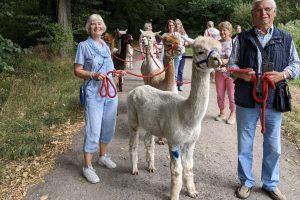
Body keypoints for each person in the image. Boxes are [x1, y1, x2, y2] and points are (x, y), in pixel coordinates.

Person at [228, 0, 300, 199]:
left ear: (275, 12)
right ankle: (246, 182)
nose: (263, 13)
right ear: (253, 14)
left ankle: (270, 183)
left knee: (273, 145)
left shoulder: (286, 38)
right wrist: (241, 75)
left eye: (267, 9)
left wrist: (282, 75)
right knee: (245, 144)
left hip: (273, 99)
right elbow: (231, 66)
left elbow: (296, 65)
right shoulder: (241, 39)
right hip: (246, 99)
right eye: (259, 10)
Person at [74, 14, 122, 184]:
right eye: (93, 24)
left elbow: (109, 68)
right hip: (94, 93)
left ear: (104, 27)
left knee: (108, 126)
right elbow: (77, 70)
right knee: (93, 129)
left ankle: (103, 156)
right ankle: (87, 167)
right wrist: (92, 74)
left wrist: (116, 73)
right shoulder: (83, 46)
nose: (97, 26)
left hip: (110, 92)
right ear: (89, 27)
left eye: (99, 23)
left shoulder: (105, 46)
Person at [214, 21, 236, 125]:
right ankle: (221, 112)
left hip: (231, 73)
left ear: (229, 31)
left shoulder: (234, 43)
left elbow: (232, 58)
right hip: (219, 73)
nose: (222, 32)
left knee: (232, 95)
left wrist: (222, 62)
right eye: (221, 30)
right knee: (220, 94)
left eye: (225, 30)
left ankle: (232, 113)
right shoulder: (216, 43)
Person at [162, 20, 182, 84]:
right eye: (169, 25)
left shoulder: (177, 35)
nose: (171, 27)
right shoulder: (165, 35)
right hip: (167, 56)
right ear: (167, 26)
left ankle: (173, 89)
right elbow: (161, 45)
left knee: (174, 74)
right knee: (166, 73)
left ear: (174, 26)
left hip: (175, 56)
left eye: (172, 25)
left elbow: (180, 45)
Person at [175, 19, 189, 91]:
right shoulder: (173, 33)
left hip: (182, 53)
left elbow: (188, 42)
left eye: (178, 24)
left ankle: (180, 84)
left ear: (181, 25)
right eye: (176, 24)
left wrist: (183, 44)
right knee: (174, 69)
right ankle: (174, 84)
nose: (177, 25)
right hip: (174, 54)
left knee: (180, 69)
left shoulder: (183, 33)